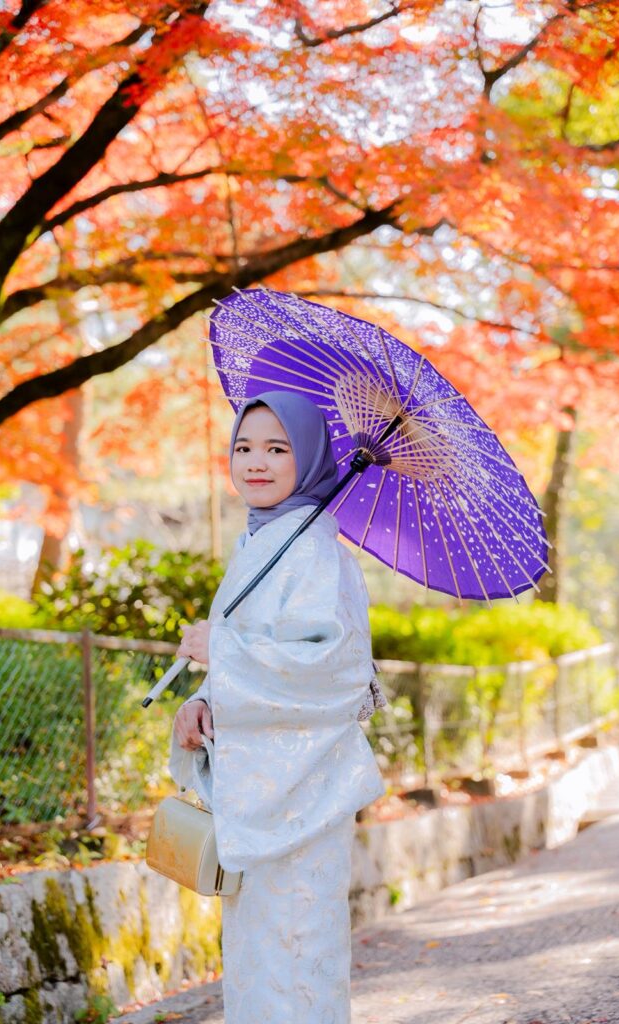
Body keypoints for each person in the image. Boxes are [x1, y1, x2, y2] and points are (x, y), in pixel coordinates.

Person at [169, 390, 385, 1024]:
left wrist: (222, 652)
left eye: (277, 448)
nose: (255, 462)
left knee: (296, 950)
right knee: (259, 957)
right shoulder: (260, 542)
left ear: (310, 457)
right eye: (243, 447)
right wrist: (202, 701)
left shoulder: (314, 549)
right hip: (260, 786)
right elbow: (260, 649)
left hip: (303, 794)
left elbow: (336, 669)